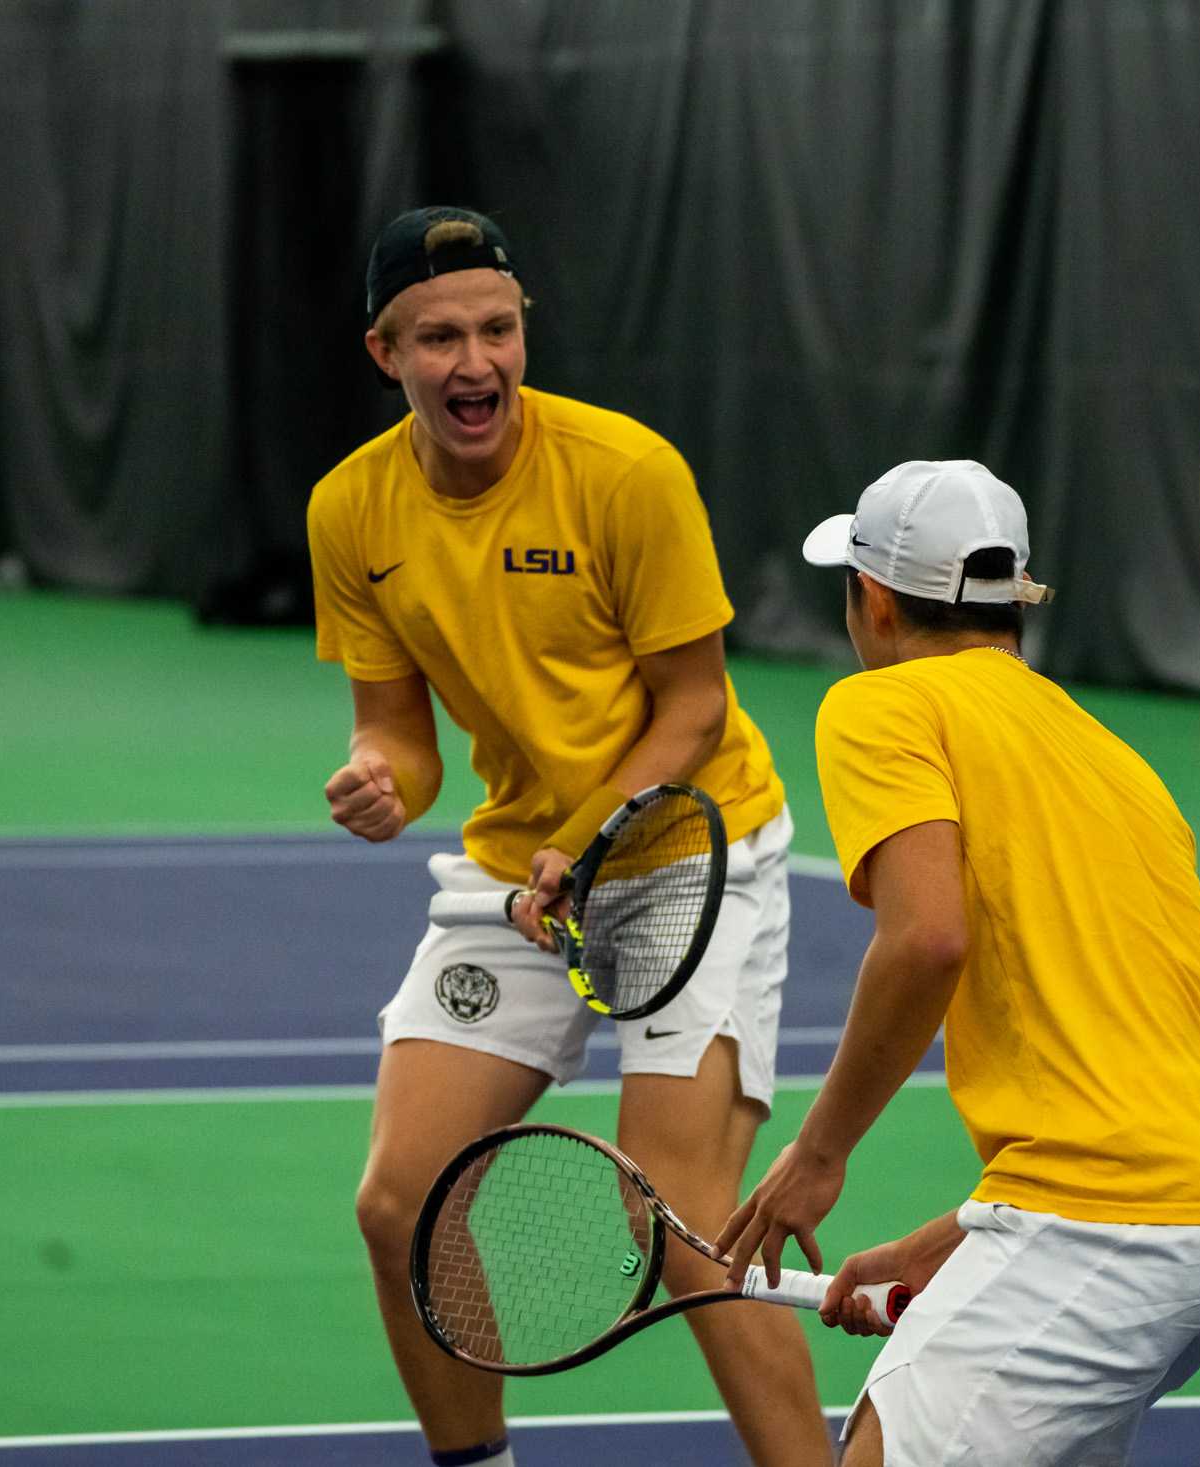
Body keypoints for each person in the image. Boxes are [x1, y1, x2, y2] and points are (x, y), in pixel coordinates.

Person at [307, 206, 831, 1467]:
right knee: (399, 1203)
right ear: (386, 354)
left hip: (686, 862)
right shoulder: (352, 512)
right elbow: (403, 732)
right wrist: (380, 772)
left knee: (681, 1214)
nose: (474, 362)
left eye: (496, 329)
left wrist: (592, 839)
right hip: (519, 874)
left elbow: (694, 707)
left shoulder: (626, 472)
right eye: (438, 338)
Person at [716, 460, 1200, 1467]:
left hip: (1116, 1224)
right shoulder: (1109, 757)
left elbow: (927, 938)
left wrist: (816, 1157)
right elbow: (1128, 1063)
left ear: (877, 602)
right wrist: (957, 1239)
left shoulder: (880, 706)